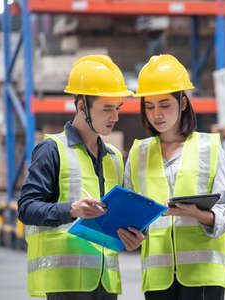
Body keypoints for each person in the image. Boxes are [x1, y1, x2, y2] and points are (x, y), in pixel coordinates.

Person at [18, 55, 145, 300]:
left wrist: (135, 235)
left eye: (117, 108)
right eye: (107, 109)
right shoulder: (52, 150)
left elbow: (120, 214)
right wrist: (72, 210)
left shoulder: (114, 157)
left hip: (105, 283)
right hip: (65, 283)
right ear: (81, 107)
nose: (115, 117)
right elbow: (26, 209)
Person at [123, 54, 225, 300]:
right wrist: (130, 234)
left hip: (203, 276)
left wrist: (197, 213)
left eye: (165, 105)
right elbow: (131, 215)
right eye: (149, 106)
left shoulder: (209, 148)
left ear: (183, 103)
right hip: (157, 278)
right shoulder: (138, 153)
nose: (156, 114)